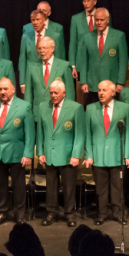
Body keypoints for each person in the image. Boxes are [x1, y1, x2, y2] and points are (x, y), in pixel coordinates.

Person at [0, 78, 35, 226]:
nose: (3, 92)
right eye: (0, 89)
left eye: (5, 89)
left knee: (19, 185)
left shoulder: (24, 106)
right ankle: (1, 212)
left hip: (17, 153)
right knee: (0, 185)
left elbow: (30, 133)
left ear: (13, 89)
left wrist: (28, 153)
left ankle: (20, 214)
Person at [36, 80, 85, 227]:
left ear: (64, 93)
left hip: (68, 155)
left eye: (56, 93)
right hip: (49, 154)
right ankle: (52, 212)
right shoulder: (43, 106)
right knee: (51, 186)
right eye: (51, 93)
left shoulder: (75, 108)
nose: (53, 95)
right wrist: (40, 152)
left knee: (69, 187)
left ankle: (70, 214)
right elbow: (40, 132)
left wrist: (76, 155)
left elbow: (80, 134)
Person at [84, 80, 129, 225]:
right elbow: (88, 134)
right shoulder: (91, 108)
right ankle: (102, 213)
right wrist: (89, 155)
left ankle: (118, 213)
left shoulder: (124, 108)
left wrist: (127, 155)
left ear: (113, 92)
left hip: (117, 155)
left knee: (118, 187)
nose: (101, 93)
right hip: (99, 155)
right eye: (99, 90)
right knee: (101, 188)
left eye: (104, 90)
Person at [77, 8, 128, 105]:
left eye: (102, 20)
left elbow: (123, 61)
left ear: (108, 20)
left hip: (111, 83)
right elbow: (83, 61)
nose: (99, 22)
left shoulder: (119, 36)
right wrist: (83, 81)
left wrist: (120, 82)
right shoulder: (87, 37)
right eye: (97, 20)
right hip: (92, 83)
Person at [24, 36, 75, 124]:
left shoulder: (64, 66)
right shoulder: (31, 67)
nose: (41, 51)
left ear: (52, 49)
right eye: (39, 48)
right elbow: (28, 95)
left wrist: (69, 113)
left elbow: (70, 94)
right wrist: (28, 114)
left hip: (59, 114)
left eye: (44, 48)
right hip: (38, 115)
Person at [19, 10, 66, 91]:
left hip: (49, 75)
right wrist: (22, 82)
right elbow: (22, 59)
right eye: (33, 20)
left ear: (44, 21)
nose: (35, 22)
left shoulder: (55, 36)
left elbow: (59, 58)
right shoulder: (26, 37)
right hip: (31, 78)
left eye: (38, 20)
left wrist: (59, 80)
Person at [69, 0, 111, 78]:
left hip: (100, 62)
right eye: (84, 1)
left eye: (88, 1)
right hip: (81, 63)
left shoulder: (104, 16)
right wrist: (73, 65)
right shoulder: (75, 19)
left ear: (95, 2)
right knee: (83, 89)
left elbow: (109, 39)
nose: (86, 4)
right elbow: (73, 43)